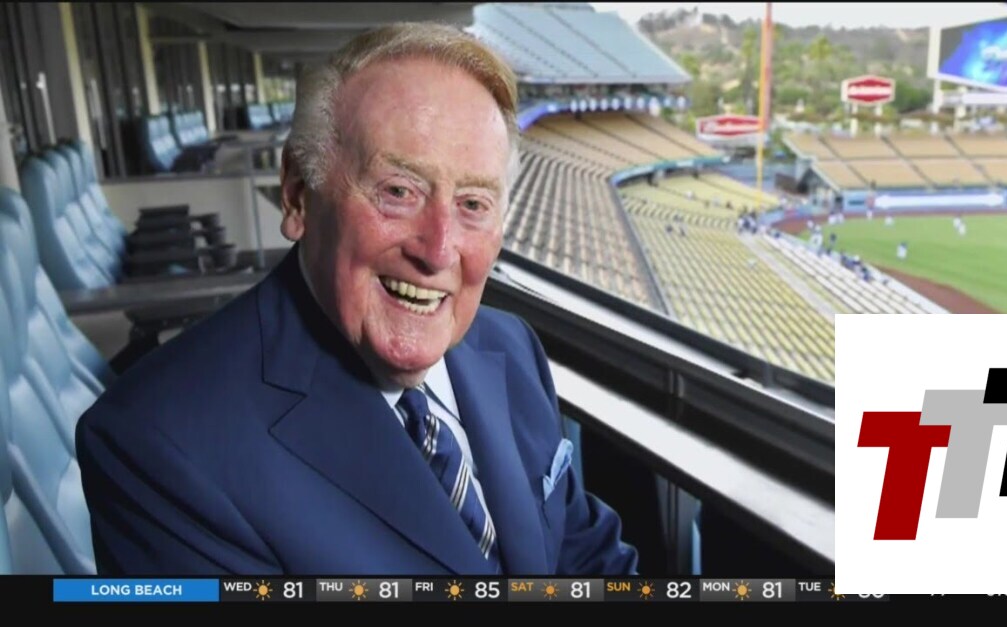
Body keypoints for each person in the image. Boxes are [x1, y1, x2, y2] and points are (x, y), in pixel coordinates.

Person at [76, 23, 638, 576]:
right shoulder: (158, 444)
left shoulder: (512, 348)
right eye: (399, 191)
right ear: (298, 195)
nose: (439, 250)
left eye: (473, 204)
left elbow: (585, 555)